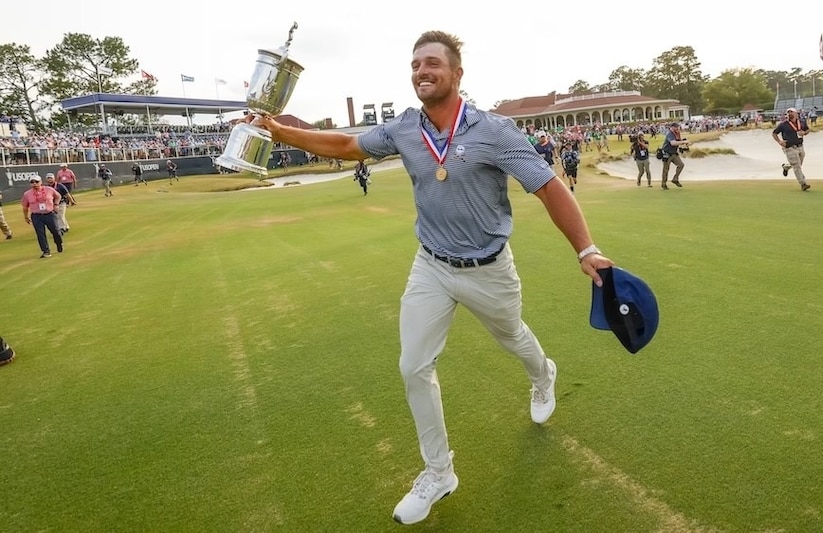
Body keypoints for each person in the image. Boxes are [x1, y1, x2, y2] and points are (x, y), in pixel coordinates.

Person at [245, 30, 614, 525]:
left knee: (513, 337)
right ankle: (438, 472)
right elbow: (348, 144)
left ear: (457, 74)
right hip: (432, 267)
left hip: (489, 269)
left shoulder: (494, 130)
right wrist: (281, 131)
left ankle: (542, 374)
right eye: (416, 64)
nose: (423, 71)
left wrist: (585, 249)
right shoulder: (403, 129)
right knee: (413, 366)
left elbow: (548, 188)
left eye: (433, 63)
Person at [20, 175, 63, 258]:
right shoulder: (27, 194)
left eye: (36, 182)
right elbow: (25, 206)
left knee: (56, 231)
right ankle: (46, 251)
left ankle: (59, 243)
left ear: (41, 182)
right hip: (36, 216)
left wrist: (56, 204)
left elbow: (58, 196)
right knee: (40, 234)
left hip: (49, 214)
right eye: (32, 182)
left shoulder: (49, 189)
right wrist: (26, 217)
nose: (34, 184)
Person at [772, 107, 811, 191]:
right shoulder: (783, 124)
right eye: (788, 112)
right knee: (797, 166)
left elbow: (807, 130)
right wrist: (779, 141)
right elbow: (774, 133)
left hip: (800, 146)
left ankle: (786, 167)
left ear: (796, 114)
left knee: (798, 164)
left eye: (791, 112)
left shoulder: (801, 122)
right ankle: (803, 183)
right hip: (789, 147)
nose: (789, 114)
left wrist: (804, 133)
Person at [660, 123, 689, 189]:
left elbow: (678, 142)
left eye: (678, 127)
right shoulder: (669, 134)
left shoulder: (677, 133)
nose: (677, 129)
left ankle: (675, 179)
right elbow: (673, 143)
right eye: (676, 127)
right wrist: (683, 142)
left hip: (674, 153)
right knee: (666, 170)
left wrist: (683, 143)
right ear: (672, 127)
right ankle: (664, 184)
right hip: (667, 154)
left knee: (681, 165)